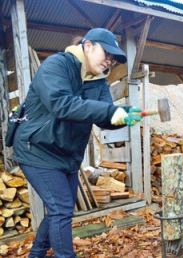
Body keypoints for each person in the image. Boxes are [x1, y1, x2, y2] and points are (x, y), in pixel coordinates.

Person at [13, 28, 141, 258]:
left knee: (59, 210)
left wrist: (122, 117)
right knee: (61, 209)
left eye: (113, 59)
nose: (109, 61)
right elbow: (61, 104)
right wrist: (110, 110)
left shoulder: (100, 84)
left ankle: (36, 254)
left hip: (67, 156)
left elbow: (104, 118)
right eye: (107, 54)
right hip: (37, 149)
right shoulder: (57, 66)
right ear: (89, 45)